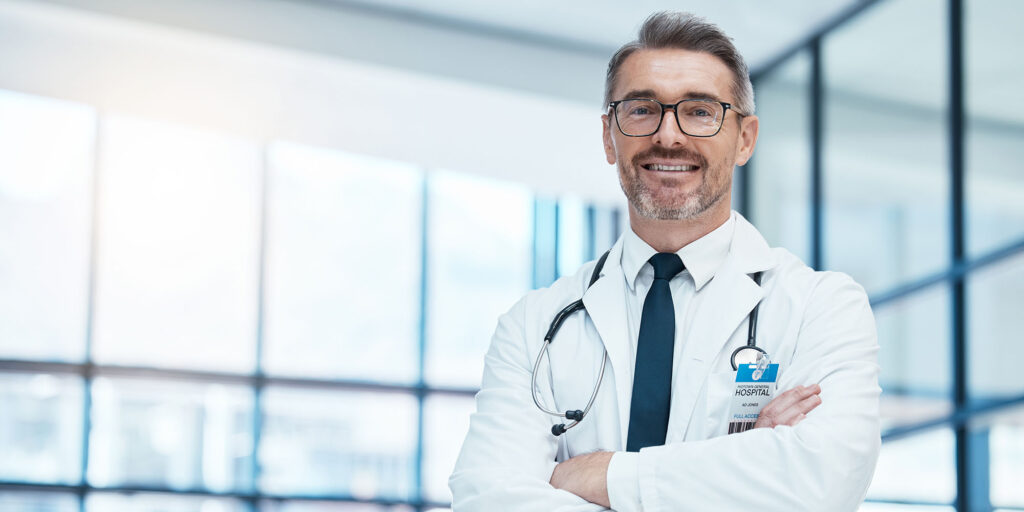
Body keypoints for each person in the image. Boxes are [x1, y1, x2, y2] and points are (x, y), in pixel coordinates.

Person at [449, 11, 880, 512]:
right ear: (609, 136)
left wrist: (600, 475)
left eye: (700, 111)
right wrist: (738, 465)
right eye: (642, 110)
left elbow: (822, 478)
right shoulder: (534, 324)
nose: (669, 136)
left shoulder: (820, 307)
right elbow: (488, 498)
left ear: (745, 139)